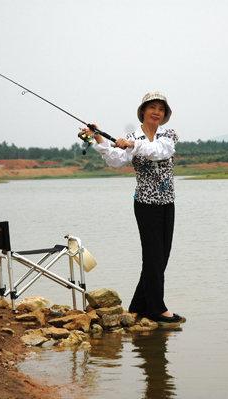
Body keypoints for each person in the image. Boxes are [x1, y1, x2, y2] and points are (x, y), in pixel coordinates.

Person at [80, 91, 184, 324]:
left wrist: (133, 145)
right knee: (153, 256)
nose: (157, 112)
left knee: (161, 256)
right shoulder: (131, 137)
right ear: (144, 111)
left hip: (168, 202)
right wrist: (98, 138)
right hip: (146, 204)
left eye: (161, 109)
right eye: (152, 107)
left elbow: (160, 152)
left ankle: (138, 305)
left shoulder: (168, 134)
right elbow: (115, 160)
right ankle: (157, 308)